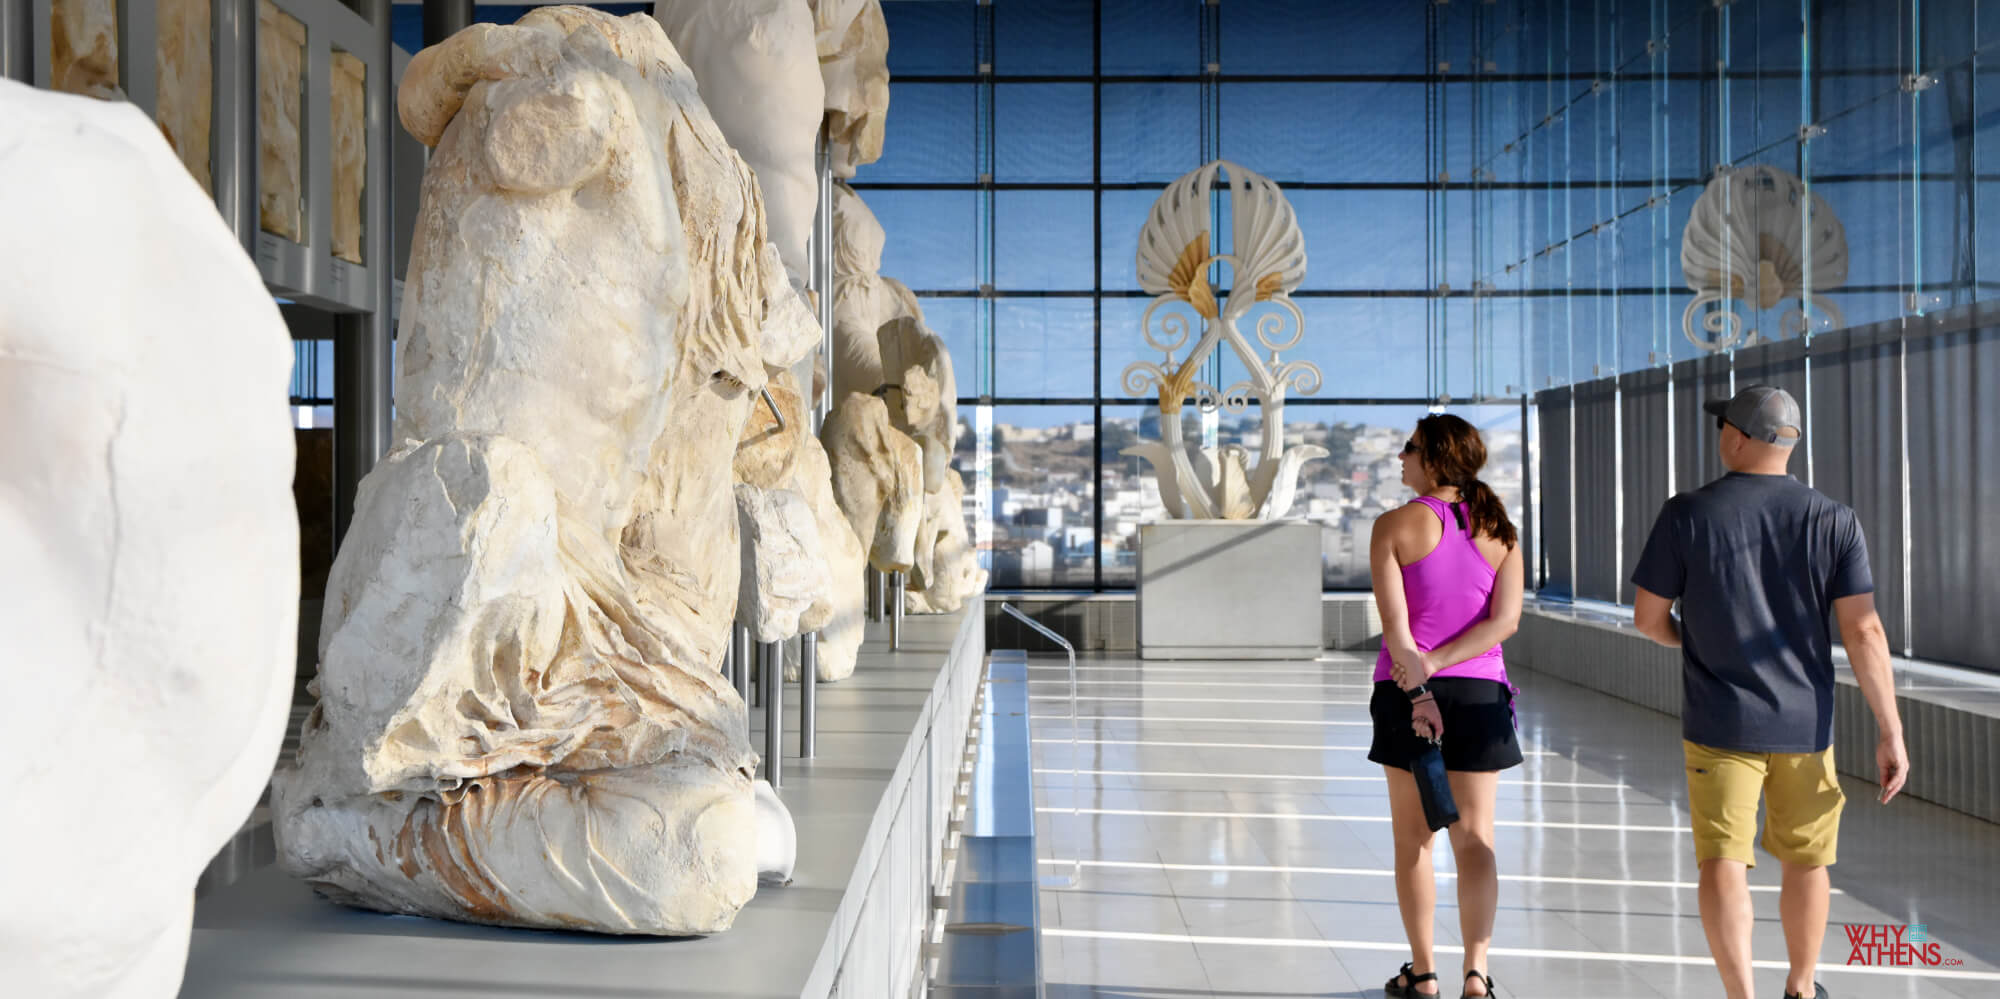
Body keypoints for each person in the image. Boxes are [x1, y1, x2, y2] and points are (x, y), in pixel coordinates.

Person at [1631, 385, 1910, 999]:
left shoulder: (1687, 514)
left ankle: (1742, 995)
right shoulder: (1834, 519)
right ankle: (1802, 988)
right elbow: (1864, 630)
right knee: (1808, 859)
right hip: (1805, 725)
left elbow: (1649, 620)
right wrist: (1890, 729)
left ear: (1737, 438)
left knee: (1722, 859)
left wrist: (1692, 640)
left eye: (1722, 427)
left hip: (1719, 723)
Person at [1369, 413, 1525, 999]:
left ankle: (1424, 971)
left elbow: (1397, 630)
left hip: (1407, 694)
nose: (1401, 457)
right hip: (1481, 695)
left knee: (1414, 839)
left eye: (1409, 448)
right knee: (1475, 837)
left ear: (1434, 458)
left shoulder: (1393, 526)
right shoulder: (1500, 531)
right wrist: (1439, 663)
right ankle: (1476, 972)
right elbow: (1504, 623)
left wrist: (1420, 686)